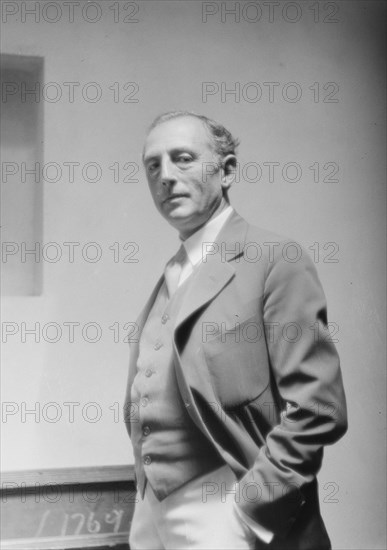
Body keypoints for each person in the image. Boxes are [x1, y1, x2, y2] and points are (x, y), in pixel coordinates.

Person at [124, 111, 347, 550]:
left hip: (226, 508)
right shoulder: (172, 273)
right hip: (150, 510)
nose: (166, 176)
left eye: (182, 158)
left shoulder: (274, 259)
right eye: (153, 165)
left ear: (226, 171)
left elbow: (319, 409)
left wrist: (248, 510)